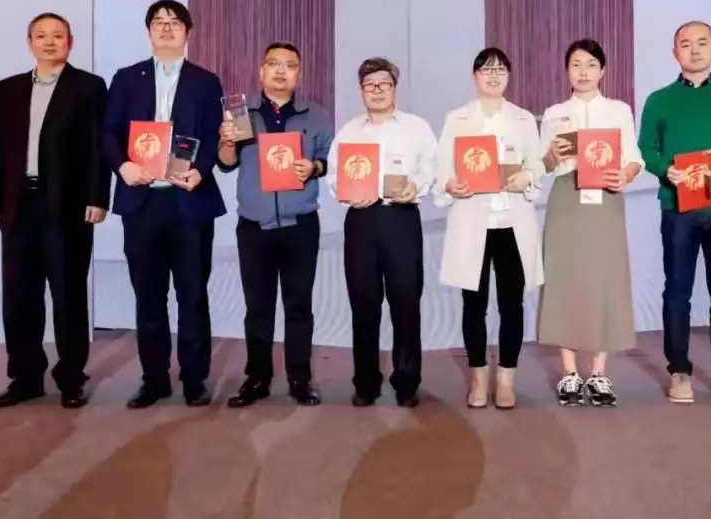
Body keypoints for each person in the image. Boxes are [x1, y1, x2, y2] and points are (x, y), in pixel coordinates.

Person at [0, 12, 110, 409]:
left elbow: (98, 148)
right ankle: (25, 378)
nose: (49, 42)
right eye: (41, 35)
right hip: (18, 206)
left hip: (67, 208)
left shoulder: (88, 87)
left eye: (57, 35)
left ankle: (71, 379)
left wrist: (98, 198)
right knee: (19, 296)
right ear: (29, 42)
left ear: (70, 42)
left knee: (68, 295)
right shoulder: (8, 89)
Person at [102, 0, 225, 409]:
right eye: (159, 21)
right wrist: (122, 166)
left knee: (193, 295)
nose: (166, 27)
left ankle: (194, 379)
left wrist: (201, 170)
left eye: (175, 22)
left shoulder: (206, 81)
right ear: (148, 31)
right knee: (148, 296)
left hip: (189, 201)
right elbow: (108, 132)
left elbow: (214, 134)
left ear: (188, 31)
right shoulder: (126, 79)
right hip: (142, 202)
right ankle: (153, 379)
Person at [638, 21, 711, 406]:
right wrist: (665, 169)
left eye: (702, 43)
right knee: (677, 290)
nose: (695, 50)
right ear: (675, 53)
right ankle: (679, 370)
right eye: (686, 44)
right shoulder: (659, 100)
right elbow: (646, 149)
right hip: (678, 208)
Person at [217, 42, 334, 407]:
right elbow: (226, 163)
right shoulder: (241, 112)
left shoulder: (316, 115)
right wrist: (226, 141)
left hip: (301, 225)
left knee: (299, 305)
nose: (281, 71)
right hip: (254, 226)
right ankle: (257, 377)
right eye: (274, 64)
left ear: (299, 73)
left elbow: (328, 160)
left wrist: (313, 167)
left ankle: (300, 378)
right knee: (258, 307)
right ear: (261, 71)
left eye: (290, 65)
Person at [434, 48, 544, 410]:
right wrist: (451, 183)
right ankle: (478, 379)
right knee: (474, 305)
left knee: (512, 305)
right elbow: (443, 167)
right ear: (475, 76)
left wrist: (526, 176)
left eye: (500, 70)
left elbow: (537, 164)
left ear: (509, 76)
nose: (493, 75)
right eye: (486, 69)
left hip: (512, 222)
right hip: (473, 221)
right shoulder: (457, 119)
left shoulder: (523, 119)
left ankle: (506, 378)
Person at [324, 57, 436, 407]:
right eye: (370, 85)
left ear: (394, 89)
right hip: (362, 221)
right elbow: (333, 176)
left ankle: (407, 382)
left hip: (401, 219)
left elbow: (431, 167)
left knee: (406, 302)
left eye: (384, 84)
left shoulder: (416, 128)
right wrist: (347, 193)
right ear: (361, 91)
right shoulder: (349, 132)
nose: (377, 91)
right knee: (363, 303)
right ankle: (366, 383)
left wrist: (416, 186)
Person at [538, 38, 643, 407]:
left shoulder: (618, 110)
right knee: (565, 278)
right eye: (576, 65)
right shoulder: (554, 113)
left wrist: (625, 175)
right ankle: (569, 372)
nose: (583, 72)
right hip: (567, 198)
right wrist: (550, 156)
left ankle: (598, 373)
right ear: (567, 71)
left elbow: (634, 157)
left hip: (605, 197)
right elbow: (542, 165)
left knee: (604, 279)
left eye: (590, 65)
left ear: (603, 70)